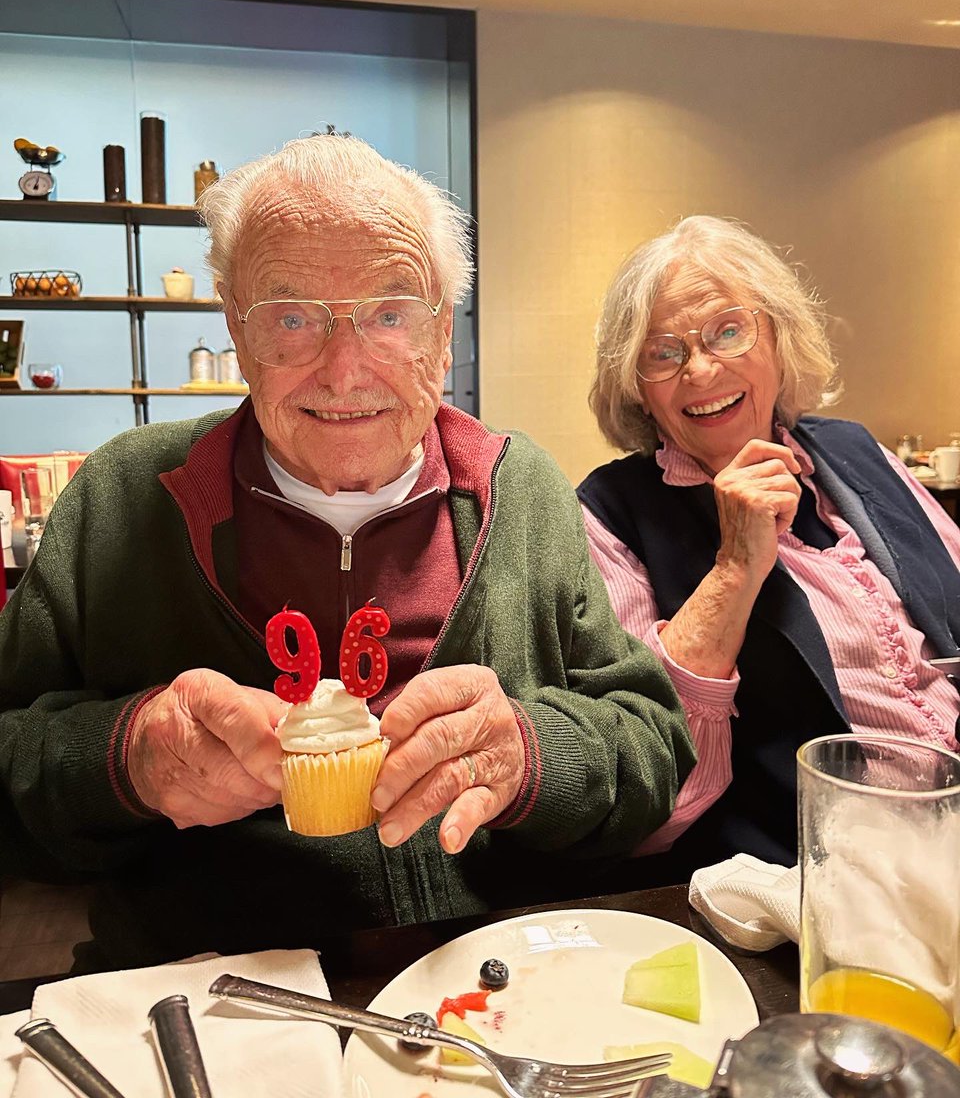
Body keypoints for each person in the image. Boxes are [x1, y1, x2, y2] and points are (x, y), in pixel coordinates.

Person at [0, 134, 695, 968]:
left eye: (390, 314)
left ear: (443, 331)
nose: (344, 371)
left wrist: (529, 755)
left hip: (493, 980)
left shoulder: (522, 492)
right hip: (212, 988)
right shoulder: (121, 498)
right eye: (291, 318)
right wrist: (126, 758)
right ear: (235, 326)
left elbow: (654, 746)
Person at [578, 215, 960, 875]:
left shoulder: (854, 449)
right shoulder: (611, 515)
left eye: (728, 331)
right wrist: (735, 567)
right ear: (637, 388)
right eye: (662, 353)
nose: (701, 369)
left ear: (781, 338)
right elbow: (651, 805)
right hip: (825, 872)